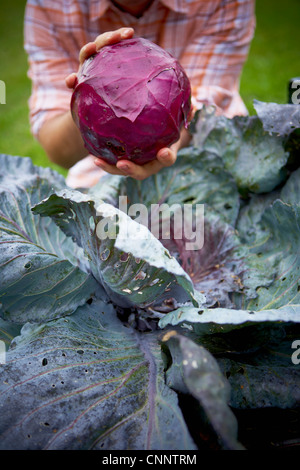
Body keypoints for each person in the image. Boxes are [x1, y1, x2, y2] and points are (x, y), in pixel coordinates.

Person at [24, 0, 255, 187]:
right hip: (98, 173)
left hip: (213, 159)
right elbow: (57, 149)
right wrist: (84, 105)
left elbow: (202, 104)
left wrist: (163, 145)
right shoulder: (50, 5)